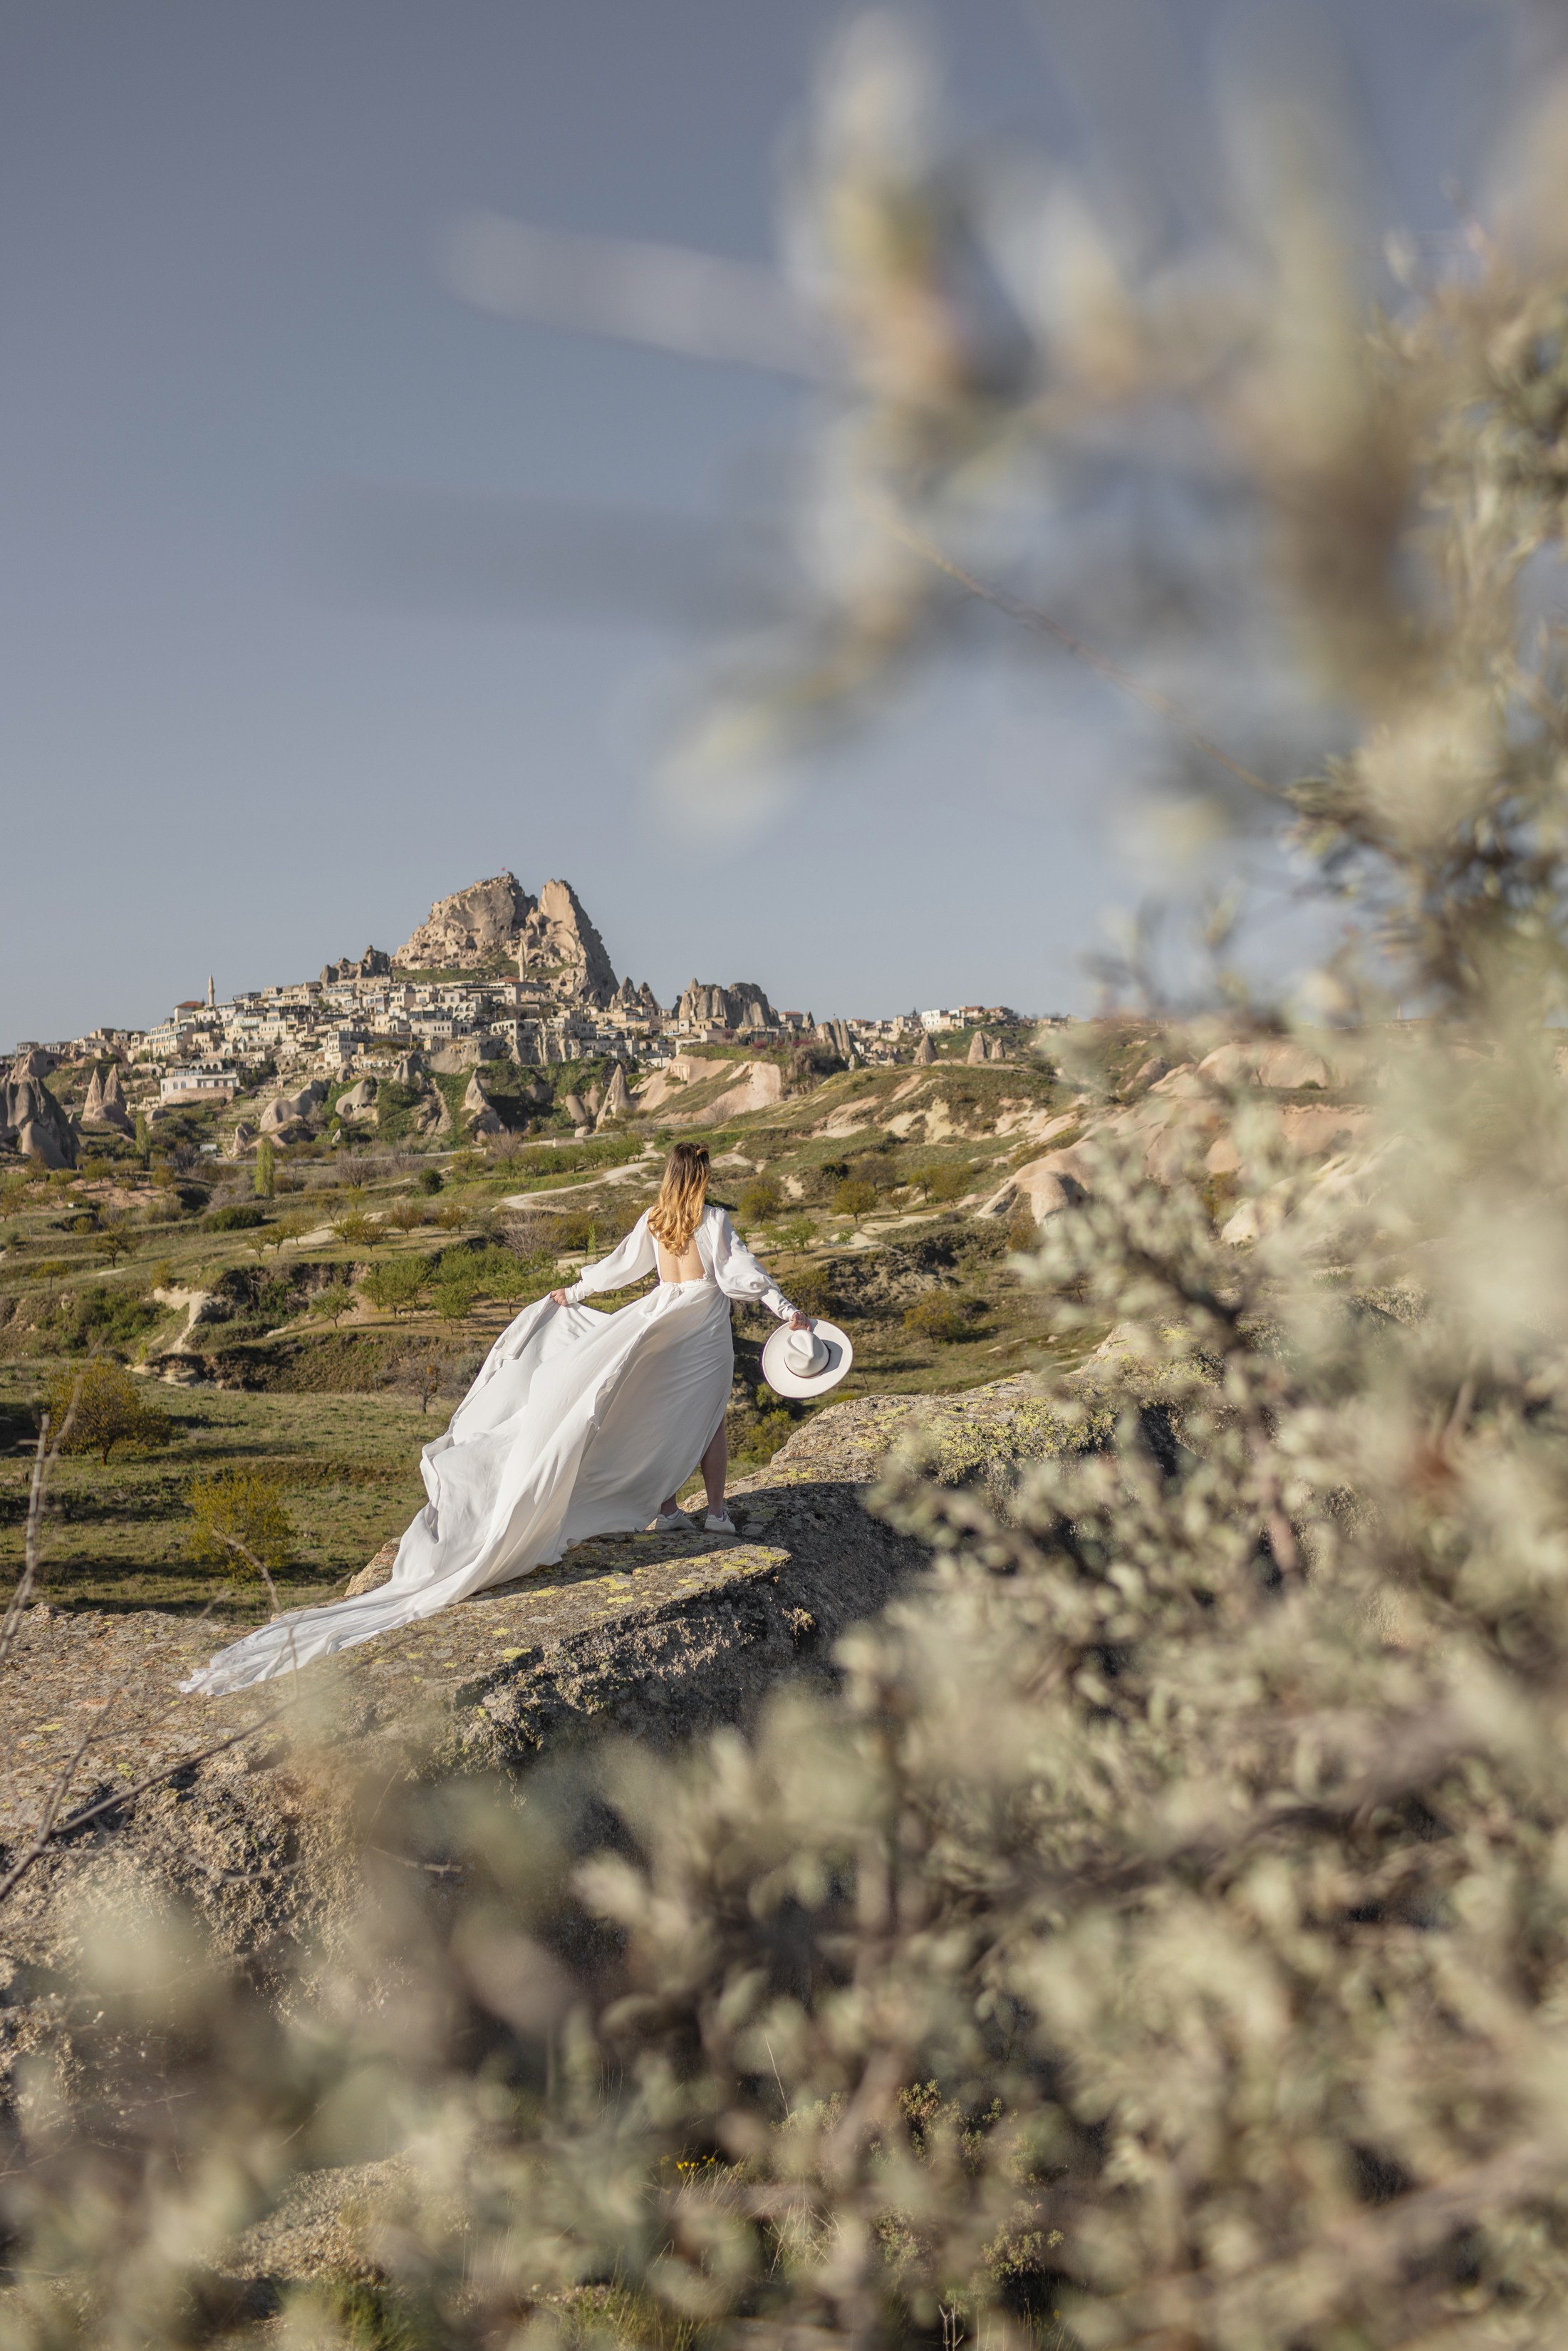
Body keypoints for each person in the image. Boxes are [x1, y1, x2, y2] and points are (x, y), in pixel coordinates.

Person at [180, 1141, 809, 1697]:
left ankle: (670, 1508)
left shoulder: (657, 1220)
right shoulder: (715, 1221)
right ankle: (717, 1512)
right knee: (703, 1417)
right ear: (702, 1176)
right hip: (698, 1328)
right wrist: (789, 1315)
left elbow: (622, 1268)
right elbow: (743, 1279)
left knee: (646, 1412)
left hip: (657, 1319)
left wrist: (576, 1293)